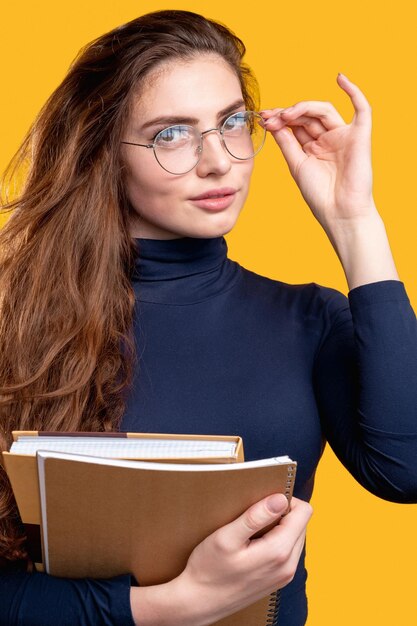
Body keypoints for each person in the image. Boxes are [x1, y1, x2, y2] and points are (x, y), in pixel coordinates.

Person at [0, 8, 416, 626]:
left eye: (233, 122)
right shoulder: (16, 317)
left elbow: (404, 471)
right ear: (105, 154)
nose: (219, 161)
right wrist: (166, 608)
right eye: (172, 133)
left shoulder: (309, 319)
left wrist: (355, 223)